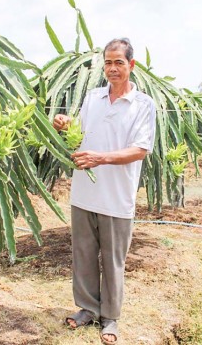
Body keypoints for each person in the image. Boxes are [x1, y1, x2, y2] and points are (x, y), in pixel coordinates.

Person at [53, 37, 156, 345]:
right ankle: (87, 308)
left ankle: (110, 317)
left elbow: (140, 149)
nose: (112, 68)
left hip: (116, 197)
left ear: (131, 65)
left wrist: (101, 158)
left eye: (119, 63)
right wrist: (65, 123)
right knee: (83, 254)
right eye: (108, 62)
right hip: (84, 192)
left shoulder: (143, 105)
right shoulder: (93, 97)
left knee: (112, 260)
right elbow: (82, 132)